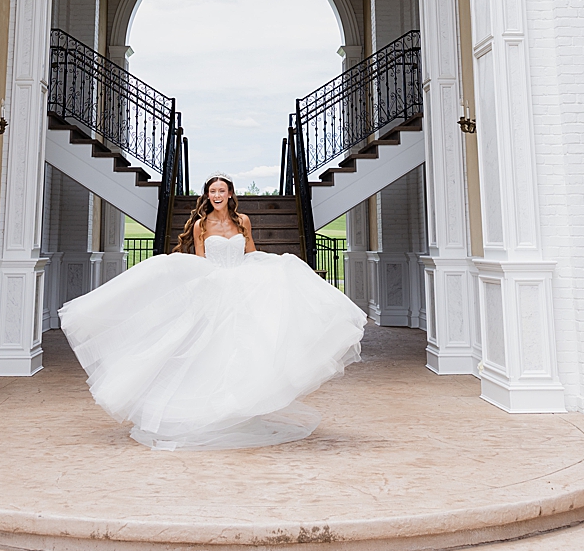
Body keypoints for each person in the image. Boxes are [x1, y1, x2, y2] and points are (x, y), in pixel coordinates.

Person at [58, 174, 368, 450]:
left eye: (221, 190)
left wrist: (275, 267)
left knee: (244, 348)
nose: (217, 195)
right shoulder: (200, 225)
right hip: (215, 290)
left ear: (230, 194)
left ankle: (239, 411)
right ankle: (207, 414)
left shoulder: (243, 221)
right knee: (208, 349)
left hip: (242, 289)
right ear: (207, 196)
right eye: (212, 191)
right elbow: (201, 261)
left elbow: (251, 254)